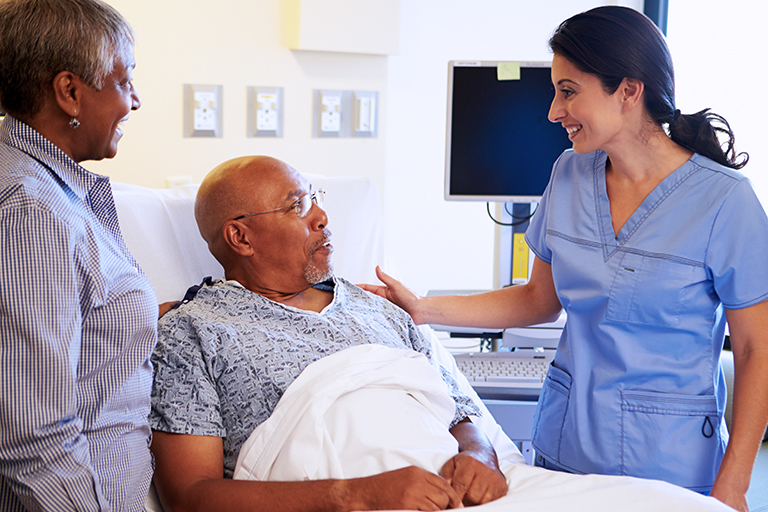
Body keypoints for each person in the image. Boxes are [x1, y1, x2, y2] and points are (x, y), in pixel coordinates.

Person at [360, 6, 768, 512]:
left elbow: (755, 351)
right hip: (567, 445)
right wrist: (423, 309)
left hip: (671, 462)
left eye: (568, 91)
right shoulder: (570, 175)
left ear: (628, 90)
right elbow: (538, 300)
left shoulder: (725, 202)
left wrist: (734, 485)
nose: (554, 111)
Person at [148, 155, 508, 512]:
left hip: (454, 493)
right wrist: (359, 494)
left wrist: (481, 454)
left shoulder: (377, 306)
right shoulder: (194, 332)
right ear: (240, 238)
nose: (321, 217)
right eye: (297, 206)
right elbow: (190, 498)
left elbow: (457, 409)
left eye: (314, 199)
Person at [0, 1, 155, 511]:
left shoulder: (48, 190)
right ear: (69, 92)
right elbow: (32, 438)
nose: (135, 100)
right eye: (124, 80)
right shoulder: (32, 211)